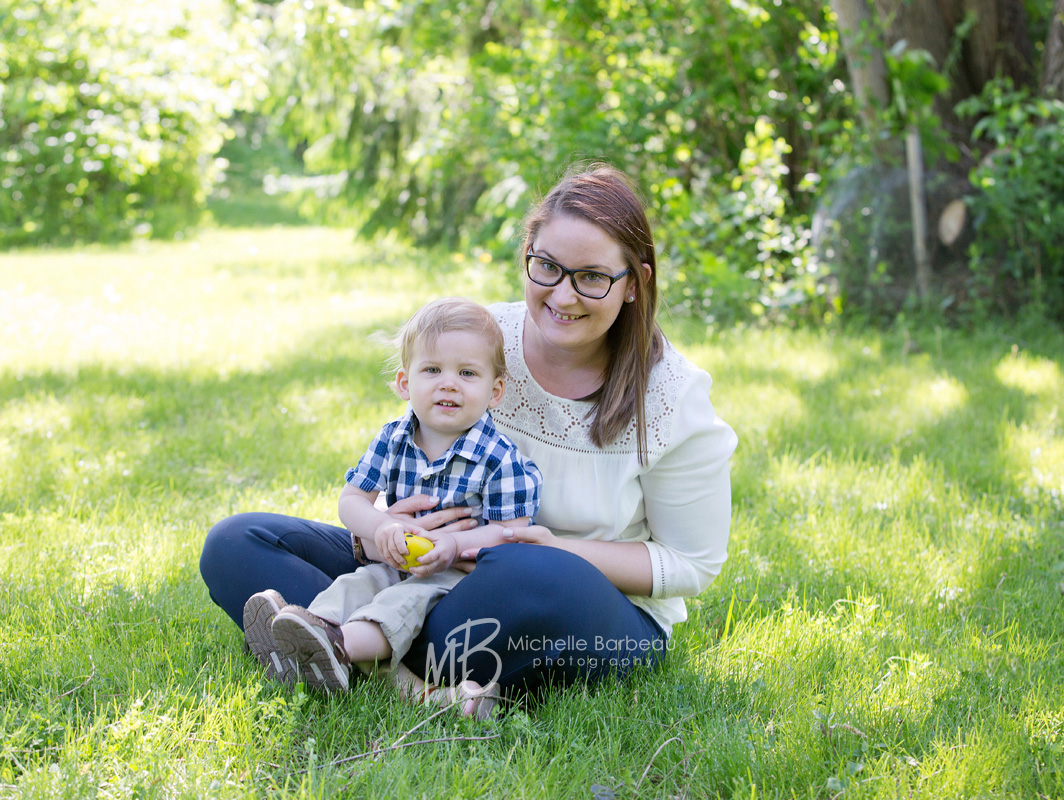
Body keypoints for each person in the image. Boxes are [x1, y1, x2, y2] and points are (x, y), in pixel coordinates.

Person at [199, 163, 737, 716]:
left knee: (528, 572)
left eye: (592, 277)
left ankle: (344, 646)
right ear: (526, 254)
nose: (563, 295)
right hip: (431, 571)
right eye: (547, 266)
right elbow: (416, 455)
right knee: (237, 542)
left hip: (580, 606)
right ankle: (392, 670)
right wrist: (386, 530)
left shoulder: (672, 394)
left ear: (635, 284)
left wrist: (550, 547)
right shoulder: (477, 340)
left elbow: (690, 564)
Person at [244, 297, 542, 698]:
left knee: (395, 605)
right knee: (355, 584)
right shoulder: (393, 438)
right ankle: (310, 630)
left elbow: (510, 533)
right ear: (405, 383)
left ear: (495, 390)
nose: (448, 382)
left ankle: (334, 650)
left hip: (453, 579)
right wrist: (382, 524)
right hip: (395, 558)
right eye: (432, 369)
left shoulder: (500, 458)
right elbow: (351, 500)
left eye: (467, 373)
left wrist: (454, 544)